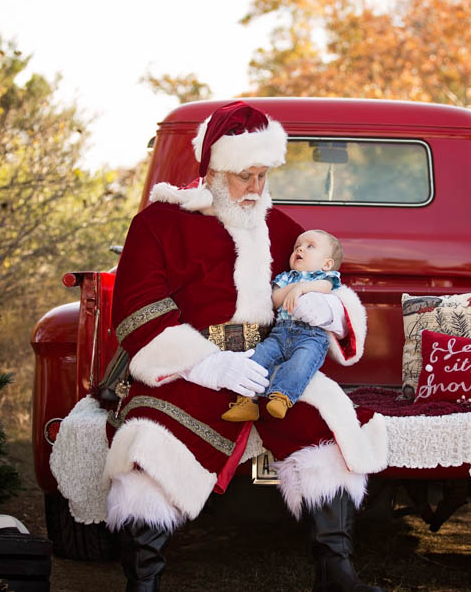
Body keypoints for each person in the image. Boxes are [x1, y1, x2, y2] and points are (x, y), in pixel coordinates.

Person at [98, 101, 387, 591]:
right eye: (244, 176)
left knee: (331, 421)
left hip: (272, 364)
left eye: (262, 175)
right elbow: (137, 312)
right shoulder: (158, 225)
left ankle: (336, 576)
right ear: (212, 169)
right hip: (191, 370)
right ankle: (143, 583)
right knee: (150, 442)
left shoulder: (278, 228)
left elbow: (332, 282)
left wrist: (331, 310)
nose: (256, 189)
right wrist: (210, 367)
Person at [222, 228, 344, 422]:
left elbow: (325, 288)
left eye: (309, 246)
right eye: (297, 247)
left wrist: (302, 288)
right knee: (257, 357)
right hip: (280, 333)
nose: (300, 250)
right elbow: (275, 300)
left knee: (301, 363)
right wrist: (294, 287)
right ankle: (247, 401)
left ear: (327, 263)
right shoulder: (285, 278)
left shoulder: (324, 278)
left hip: (311, 336)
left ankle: (282, 397)